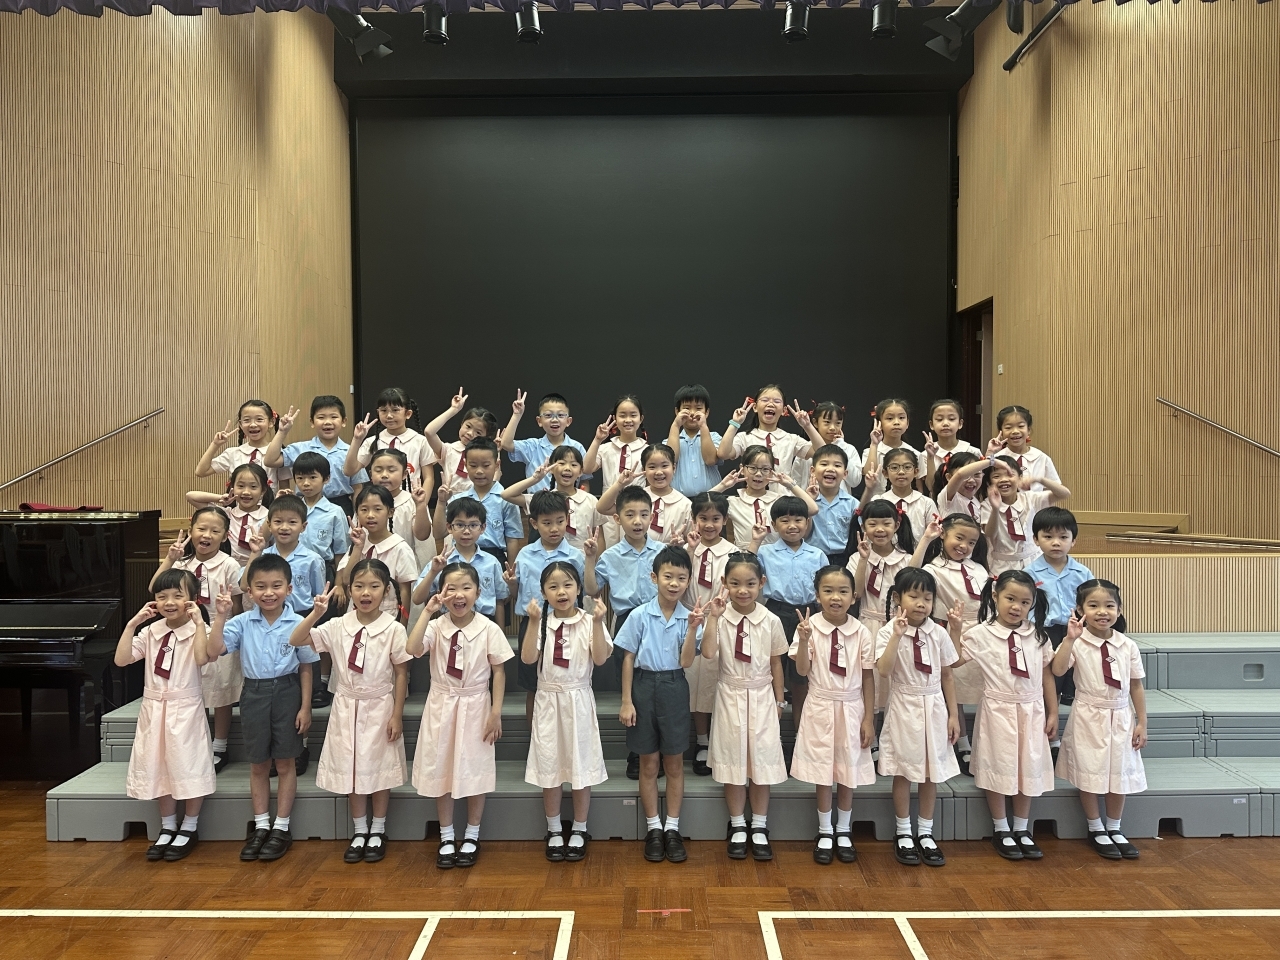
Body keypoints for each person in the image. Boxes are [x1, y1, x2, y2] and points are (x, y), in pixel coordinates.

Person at [289, 560, 411, 864]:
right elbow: (296, 639)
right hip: (346, 706)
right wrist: (316, 613)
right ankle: (359, 830)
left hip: (380, 705)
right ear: (350, 589)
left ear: (387, 591)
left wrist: (396, 714)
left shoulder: (393, 629)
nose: (366, 593)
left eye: (374, 586)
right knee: (352, 768)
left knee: (379, 770)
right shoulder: (338, 625)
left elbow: (401, 674)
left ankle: (378, 829)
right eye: (359, 586)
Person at [204, 555, 318, 862]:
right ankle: (261, 824)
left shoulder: (298, 624)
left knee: (285, 763)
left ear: (289, 588)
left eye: (276, 586)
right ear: (250, 592)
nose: (269, 593)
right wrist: (220, 616)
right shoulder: (241, 622)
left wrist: (306, 707)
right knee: (258, 764)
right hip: (253, 693)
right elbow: (213, 651)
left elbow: (306, 668)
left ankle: (281, 826)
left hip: (288, 692)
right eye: (261, 587)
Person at [407, 562, 512, 869]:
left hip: (476, 704)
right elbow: (412, 649)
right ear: (442, 593)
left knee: (474, 770)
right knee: (442, 769)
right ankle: (446, 835)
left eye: (466, 587)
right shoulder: (437, 626)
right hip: (441, 704)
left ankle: (472, 834)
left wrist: (495, 712)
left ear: (478, 593)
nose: (458, 594)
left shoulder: (488, 628)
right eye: (450, 588)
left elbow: (499, 671)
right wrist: (427, 611)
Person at [955, 569, 1058, 861]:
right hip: (998, 710)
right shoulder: (980, 634)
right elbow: (954, 661)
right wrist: (954, 630)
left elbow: (1047, 675)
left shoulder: (1037, 635)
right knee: (998, 766)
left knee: (1028, 767)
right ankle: (1001, 828)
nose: (1017, 607)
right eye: (1010, 599)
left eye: (1025, 602)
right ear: (995, 596)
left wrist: (1052, 712)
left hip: (1032, 710)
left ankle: (1022, 828)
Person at [116, 569, 215, 862]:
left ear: (192, 599)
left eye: (177, 595)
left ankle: (190, 825)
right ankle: (168, 825)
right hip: (154, 709)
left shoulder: (200, 631)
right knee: (159, 765)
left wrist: (199, 622)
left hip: (185, 708)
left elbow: (202, 658)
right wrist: (132, 624)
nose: (169, 602)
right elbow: (122, 659)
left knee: (187, 765)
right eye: (162, 597)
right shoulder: (151, 632)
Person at [522, 563, 613, 863]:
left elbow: (600, 659)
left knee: (580, 768)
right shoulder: (540, 621)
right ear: (543, 592)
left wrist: (598, 622)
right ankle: (553, 829)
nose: (561, 592)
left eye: (567, 584)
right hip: (548, 700)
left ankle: (580, 828)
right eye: (553, 586)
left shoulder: (589, 620)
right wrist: (533, 621)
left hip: (578, 699)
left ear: (578, 588)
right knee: (550, 767)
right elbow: (528, 658)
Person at [701, 553, 788, 861]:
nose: (742, 590)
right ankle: (738, 823)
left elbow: (776, 663)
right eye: (735, 584)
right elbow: (708, 653)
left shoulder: (771, 619)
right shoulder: (720, 617)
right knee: (733, 763)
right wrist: (713, 617)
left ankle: (760, 824)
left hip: (762, 694)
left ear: (761, 583)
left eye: (750, 584)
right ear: (724, 583)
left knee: (761, 763)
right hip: (730, 693)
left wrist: (779, 699)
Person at [614, 546, 698, 864]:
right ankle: (653, 828)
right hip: (643, 686)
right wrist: (626, 701)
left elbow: (686, 661)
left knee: (674, 764)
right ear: (654, 577)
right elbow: (627, 658)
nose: (674, 583)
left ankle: (672, 828)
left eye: (681, 578)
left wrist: (693, 628)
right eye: (668, 576)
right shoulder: (638, 615)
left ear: (688, 581)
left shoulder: (689, 617)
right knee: (648, 763)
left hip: (675, 685)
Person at [1052, 579, 1147, 860]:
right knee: (1089, 772)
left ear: (1119, 609)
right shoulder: (1077, 642)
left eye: (1109, 605)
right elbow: (1058, 670)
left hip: (1120, 715)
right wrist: (1069, 639)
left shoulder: (1127, 645)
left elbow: (1136, 685)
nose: (1102, 612)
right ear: (1080, 610)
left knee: (1119, 773)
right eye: (1093, 606)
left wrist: (1142, 722)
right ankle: (1095, 828)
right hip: (1088, 715)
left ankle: (1114, 827)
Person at [876, 568, 962, 867]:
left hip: (934, 705)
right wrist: (897, 636)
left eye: (927, 598)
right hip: (904, 704)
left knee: (930, 773)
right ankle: (903, 832)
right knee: (903, 771)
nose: (921, 603)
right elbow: (883, 671)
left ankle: (925, 831)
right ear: (897, 598)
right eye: (913, 596)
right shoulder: (888, 631)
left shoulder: (938, 632)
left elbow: (948, 674)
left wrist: (953, 715)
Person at [790, 567, 875, 865]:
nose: (835, 597)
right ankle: (825, 830)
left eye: (842, 591)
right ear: (817, 595)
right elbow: (802, 670)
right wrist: (803, 640)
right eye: (828, 591)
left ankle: (843, 829)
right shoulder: (809, 627)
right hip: (820, 705)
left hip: (852, 707)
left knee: (848, 771)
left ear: (854, 596)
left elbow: (868, 678)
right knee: (823, 772)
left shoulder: (861, 631)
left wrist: (868, 718)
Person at [151, 506, 242, 774]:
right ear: (191, 530)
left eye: (215, 531)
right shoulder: (181, 564)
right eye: (201, 528)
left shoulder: (229, 564)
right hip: (186, 632)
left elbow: (238, 604)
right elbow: (154, 588)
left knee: (221, 690)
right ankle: (193, 743)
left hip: (219, 628)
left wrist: (234, 632)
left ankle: (220, 746)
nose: (207, 535)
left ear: (225, 536)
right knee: (193, 688)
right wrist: (170, 559)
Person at [585, 486, 662, 779]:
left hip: (658, 620)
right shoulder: (611, 555)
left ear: (652, 516)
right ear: (617, 519)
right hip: (627, 621)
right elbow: (592, 589)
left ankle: (658, 750)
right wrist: (590, 559)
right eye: (630, 515)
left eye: (643, 514)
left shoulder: (663, 552)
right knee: (632, 690)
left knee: (657, 685)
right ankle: (636, 752)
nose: (637, 521)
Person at [916, 513, 989, 776]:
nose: (964, 546)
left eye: (971, 542)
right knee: (954, 685)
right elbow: (910, 574)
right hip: (952, 629)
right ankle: (963, 742)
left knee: (984, 687)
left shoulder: (978, 568)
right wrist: (926, 539)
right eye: (959, 538)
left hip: (983, 631)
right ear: (944, 534)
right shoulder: (933, 569)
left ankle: (984, 743)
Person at [505, 491, 586, 726]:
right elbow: (516, 595)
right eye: (547, 523)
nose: (554, 528)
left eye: (560, 521)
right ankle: (535, 737)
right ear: (534, 523)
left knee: (567, 682)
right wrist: (512, 584)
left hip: (567, 625)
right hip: (533, 625)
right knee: (534, 685)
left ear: (567, 519)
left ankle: (567, 735)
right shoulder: (525, 554)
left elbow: (585, 591)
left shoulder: (576, 556)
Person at [757, 496, 828, 731]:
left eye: (798, 520)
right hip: (775, 612)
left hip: (808, 616)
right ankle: (770, 736)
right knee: (771, 671)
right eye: (785, 520)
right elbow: (746, 571)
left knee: (802, 678)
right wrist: (754, 542)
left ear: (807, 523)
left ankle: (800, 735)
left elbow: (825, 588)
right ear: (774, 524)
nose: (792, 525)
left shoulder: (817, 555)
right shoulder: (765, 552)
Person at [682, 492, 735, 777]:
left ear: (725, 520)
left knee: (717, 682)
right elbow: (679, 581)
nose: (709, 525)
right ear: (694, 520)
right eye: (703, 518)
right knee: (695, 684)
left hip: (722, 622)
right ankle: (702, 741)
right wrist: (690, 552)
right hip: (690, 621)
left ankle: (720, 740)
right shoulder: (686, 549)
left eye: (716, 519)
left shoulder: (733, 553)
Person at [1026, 507, 1095, 709]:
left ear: (1073, 541)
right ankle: (1051, 723)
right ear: (1036, 540)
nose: (1056, 542)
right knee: (1050, 681)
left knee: (1076, 680)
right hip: (1045, 632)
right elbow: (1027, 605)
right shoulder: (1029, 573)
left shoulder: (1082, 572)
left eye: (1063, 537)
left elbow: (1091, 601)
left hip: (1076, 631)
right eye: (1048, 537)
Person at [265, 396, 367, 515]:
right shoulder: (300, 448)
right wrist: (282, 431)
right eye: (321, 417)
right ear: (312, 422)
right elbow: (270, 461)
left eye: (334, 417)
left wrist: (358, 517)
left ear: (343, 421)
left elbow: (357, 488)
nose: (327, 422)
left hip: (341, 506)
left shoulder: (352, 451)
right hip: (305, 506)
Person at [430, 437, 523, 566]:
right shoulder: (458, 500)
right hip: (461, 558)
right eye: (473, 465)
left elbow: (512, 539)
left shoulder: (506, 499)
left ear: (496, 465)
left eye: (486, 465)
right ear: (465, 465)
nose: (479, 471)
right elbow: (438, 533)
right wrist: (441, 502)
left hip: (494, 558)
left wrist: (511, 570)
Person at [413, 498, 509, 619]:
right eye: (460, 525)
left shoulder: (492, 562)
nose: (467, 531)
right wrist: (433, 572)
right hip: (450, 620)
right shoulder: (441, 562)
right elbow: (417, 599)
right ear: (449, 527)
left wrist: (499, 630)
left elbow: (499, 601)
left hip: (486, 622)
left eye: (473, 525)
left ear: (483, 528)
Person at [343, 387, 435, 505]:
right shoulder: (372, 442)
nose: (389, 415)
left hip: (412, 502)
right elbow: (349, 471)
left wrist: (421, 505)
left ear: (408, 414)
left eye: (395, 410)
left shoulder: (420, 441)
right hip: (379, 503)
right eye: (384, 410)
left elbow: (429, 478)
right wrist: (357, 439)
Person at [340, 485, 417, 625]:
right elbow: (346, 580)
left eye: (377, 509)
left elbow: (405, 591)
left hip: (388, 617)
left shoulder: (400, 548)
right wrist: (358, 547)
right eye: (364, 509)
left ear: (390, 512)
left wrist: (402, 625)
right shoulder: (358, 543)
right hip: (356, 614)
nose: (370, 515)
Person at [983, 455, 1071, 575]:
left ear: (1020, 478)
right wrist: (995, 509)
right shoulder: (987, 505)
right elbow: (990, 534)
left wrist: (1039, 479)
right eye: (996, 476)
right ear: (989, 482)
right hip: (1001, 564)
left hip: (1034, 560)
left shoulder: (1030, 498)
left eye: (1010, 475)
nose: (1004, 479)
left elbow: (1064, 494)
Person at [718, 445, 817, 550]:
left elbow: (813, 509)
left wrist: (791, 485)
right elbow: (704, 506)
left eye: (765, 469)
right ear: (742, 469)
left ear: (771, 472)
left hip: (777, 555)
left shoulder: (780, 500)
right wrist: (723, 486)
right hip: (745, 555)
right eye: (753, 468)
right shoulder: (733, 502)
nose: (758, 474)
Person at [502, 446, 599, 553]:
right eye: (561, 463)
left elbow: (599, 536)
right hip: (549, 559)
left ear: (581, 471)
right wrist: (535, 479)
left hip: (584, 558)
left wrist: (595, 560)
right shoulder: (544, 500)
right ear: (551, 468)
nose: (567, 468)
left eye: (574, 465)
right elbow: (507, 495)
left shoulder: (591, 500)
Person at [241, 494, 326, 616]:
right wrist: (255, 553)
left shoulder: (313, 560)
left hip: (301, 617)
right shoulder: (262, 555)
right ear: (269, 525)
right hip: (265, 615)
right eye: (278, 522)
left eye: (292, 522)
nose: (284, 527)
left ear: (303, 527)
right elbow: (244, 586)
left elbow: (319, 596)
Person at [717, 385, 814, 487]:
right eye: (765, 400)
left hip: (783, 495)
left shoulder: (791, 439)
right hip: (753, 494)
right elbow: (723, 454)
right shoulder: (744, 437)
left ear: (784, 410)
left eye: (777, 401)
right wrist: (735, 423)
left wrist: (807, 426)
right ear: (755, 407)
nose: (770, 404)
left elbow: (821, 451)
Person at [597, 445, 691, 547]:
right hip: (632, 554)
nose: (659, 472)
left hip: (670, 555)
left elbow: (691, 540)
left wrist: (680, 546)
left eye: (664, 466)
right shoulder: (634, 497)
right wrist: (619, 484)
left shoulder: (685, 505)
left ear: (674, 468)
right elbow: (602, 508)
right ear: (644, 470)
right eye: (652, 467)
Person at [501, 390, 588, 493]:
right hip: (536, 501)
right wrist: (517, 414)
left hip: (568, 502)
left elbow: (584, 479)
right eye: (548, 415)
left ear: (568, 421)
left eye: (560, 415)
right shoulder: (532, 446)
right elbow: (506, 444)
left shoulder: (577, 447)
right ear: (539, 421)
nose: (554, 420)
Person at [422, 386, 500, 499]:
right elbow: (429, 432)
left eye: (478, 432)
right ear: (462, 423)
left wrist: (496, 450)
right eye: (468, 426)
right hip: (450, 503)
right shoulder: (448, 450)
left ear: (486, 437)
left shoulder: (485, 456)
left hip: (477, 502)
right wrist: (454, 409)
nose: (470, 433)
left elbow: (494, 479)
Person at [187, 462, 271, 567]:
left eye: (253, 487)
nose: (246, 492)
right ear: (232, 487)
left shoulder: (270, 516)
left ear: (263, 490)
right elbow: (190, 496)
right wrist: (219, 498)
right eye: (240, 486)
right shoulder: (225, 514)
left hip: (260, 568)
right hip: (227, 568)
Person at [194, 400, 289, 491]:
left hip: (269, 503)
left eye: (259, 419)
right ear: (240, 424)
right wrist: (215, 444)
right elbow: (201, 472)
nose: (253, 425)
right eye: (247, 420)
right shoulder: (233, 453)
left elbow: (284, 490)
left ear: (271, 422)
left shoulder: (278, 454)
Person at [287, 452, 352, 567]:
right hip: (291, 566)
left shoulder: (335, 512)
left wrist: (339, 578)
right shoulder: (290, 509)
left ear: (326, 478)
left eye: (312, 477)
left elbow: (341, 551)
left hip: (323, 567)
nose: (306, 483)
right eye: (300, 478)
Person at [788, 401, 863, 493]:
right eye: (827, 422)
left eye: (838, 423)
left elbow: (855, 481)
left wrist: (841, 446)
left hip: (840, 501)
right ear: (815, 422)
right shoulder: (807, 449)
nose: (832, 427)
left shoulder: (848, 449)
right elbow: (796, 482)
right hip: (809, 500)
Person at [865, 448, 934, 544]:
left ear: (916, 472)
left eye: (907, 467)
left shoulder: (926, 503)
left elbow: (933, 535)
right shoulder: (878, 501)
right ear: (885, 473)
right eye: (894, 467)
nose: (901, 472)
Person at [805, 443, 857, 567]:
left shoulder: (853, 504)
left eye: (837, 465)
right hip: (812, 558)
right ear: (812, 471)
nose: (830, 469)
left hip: (845, 560)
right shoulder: (804, 501)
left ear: (845, 474)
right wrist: (809, 504)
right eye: (824, 464)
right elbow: (802, 534)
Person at [667, 384, 723, 497]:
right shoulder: (669, 441)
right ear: (677, 411)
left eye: (698, 408)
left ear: (707, 412)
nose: (692, 412)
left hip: (711, 500)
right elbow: (671, 459)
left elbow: (711, 460)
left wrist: (703, 426)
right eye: (687, 408)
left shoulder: (715, 437)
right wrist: (675, 425)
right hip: (679, 501)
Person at [918, 399, 982, 494]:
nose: (945, 423)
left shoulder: (972, 451)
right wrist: (930, 457)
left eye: (951, 419)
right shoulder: (925, 455)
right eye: (939, 419)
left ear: (960, 423)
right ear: (931, 425)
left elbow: (980, 483)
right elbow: (931, 486)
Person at [862, 399, 920, 498]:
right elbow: (869, 474)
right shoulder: (871, 451)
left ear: (907, 423)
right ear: (879, 423)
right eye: (889, 418)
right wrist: (874, 445)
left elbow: (919, 486)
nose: (896, 422)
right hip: (877, 503)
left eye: (901, 418)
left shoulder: (915, 453)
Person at [995, 405, 1060, 491]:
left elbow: (1056, 489)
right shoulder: (996, 459)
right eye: (1008, 428)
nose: (1015, 431)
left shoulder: (1041, 457)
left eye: (1021, 426)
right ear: (1001, 432)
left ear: (1028, 430)